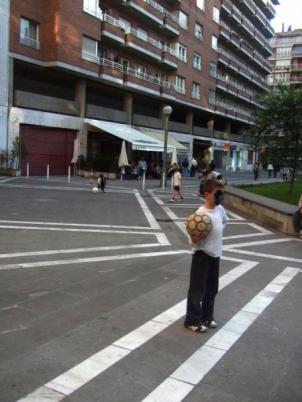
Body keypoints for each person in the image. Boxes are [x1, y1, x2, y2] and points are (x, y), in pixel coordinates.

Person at [184, 178, 228, 333]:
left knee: (212, 288)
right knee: (197, 289)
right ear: (207, 194)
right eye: (218, 193)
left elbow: (224, 221)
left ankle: (207, 316)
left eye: (222, 193)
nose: (221, 196)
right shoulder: (200, 214)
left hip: (215, 254)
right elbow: (191, 238)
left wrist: (217, 232)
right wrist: (194, 239)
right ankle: (192, 320)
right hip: (201, 255)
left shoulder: (220, 210)